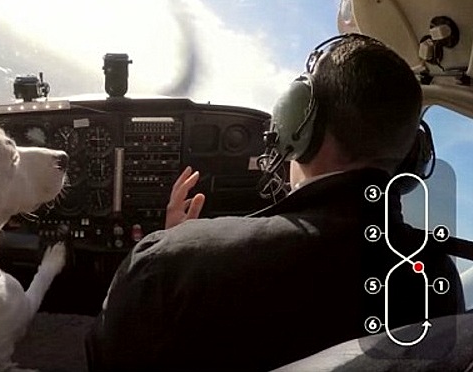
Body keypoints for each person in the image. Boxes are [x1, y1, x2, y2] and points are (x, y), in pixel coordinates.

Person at [85, 34, 464, 371]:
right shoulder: (435, 275)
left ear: (298, 125)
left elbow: (103, 356)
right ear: (414, 153)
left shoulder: (172, 263)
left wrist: (176, 248)